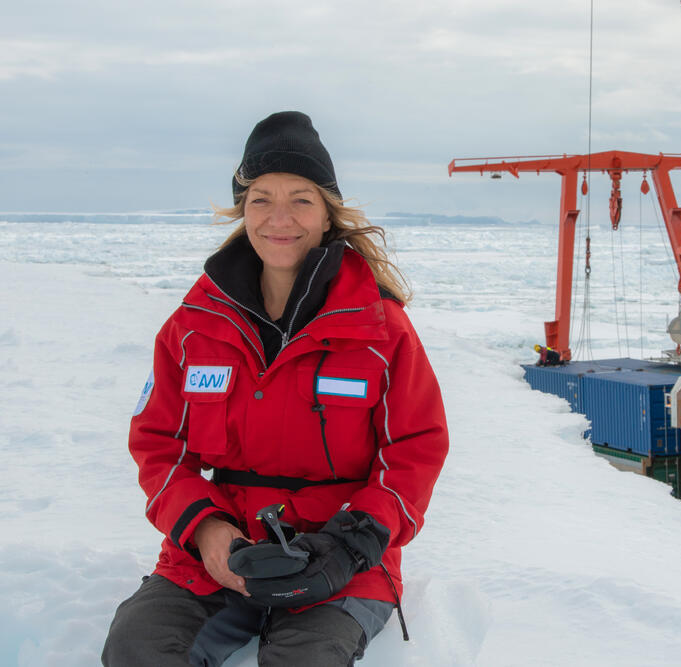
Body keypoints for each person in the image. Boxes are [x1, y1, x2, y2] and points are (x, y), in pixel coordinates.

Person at [103, 111, 449, 666]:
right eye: (261, 198)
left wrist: (349, 544)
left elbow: (415, 450)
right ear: (242, 209)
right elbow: (158, 446)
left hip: (340, 562)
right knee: (138, 651)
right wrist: (208, 532)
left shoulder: (381, 329)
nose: (279, 218)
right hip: (219, 559)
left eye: (301, 199)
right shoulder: (193, 326)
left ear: (327, 213)